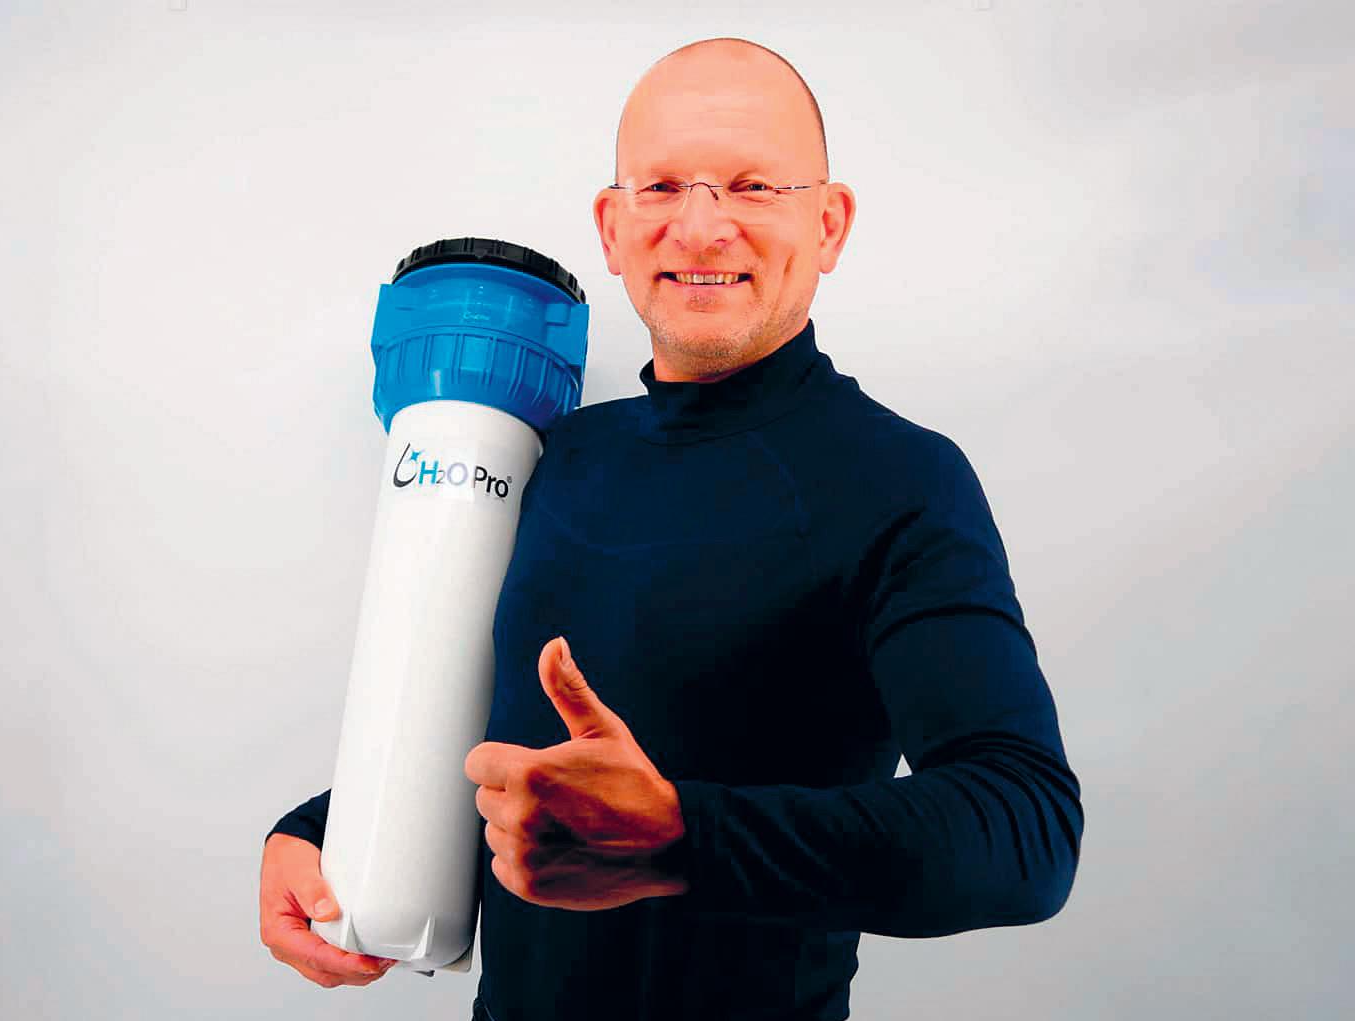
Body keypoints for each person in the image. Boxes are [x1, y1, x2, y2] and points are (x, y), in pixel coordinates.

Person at [259, 36, 1084, 1021]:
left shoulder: (900, 479)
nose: (699, 227)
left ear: (829, 223)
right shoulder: (557, 455)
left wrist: (682, 837)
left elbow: (1024, 828)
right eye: (659, 187)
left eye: (751, 186)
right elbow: (502, 734)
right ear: (611, 229)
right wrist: (315, 828)